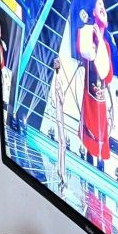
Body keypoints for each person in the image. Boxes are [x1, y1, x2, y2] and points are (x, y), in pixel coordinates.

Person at [77, 0, 115, 171]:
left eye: (104, 5)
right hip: (90, 101)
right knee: (89, 150)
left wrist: (100, 39)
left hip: (101, 103)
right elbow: (83, 50)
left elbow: (107, 76)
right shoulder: (88, 34)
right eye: (99, 4)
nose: (103, 7)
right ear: (93, 11)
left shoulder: (105, 44)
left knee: (100, 153)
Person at [52, 58, 67, 187]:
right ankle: (62, 172)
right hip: (59, 116)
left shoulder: (57, 79)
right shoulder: (58, 80)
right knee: (63, 145)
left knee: (61, 144)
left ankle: (60, 171)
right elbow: (61, 99)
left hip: (59, 115)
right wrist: (63, 93)